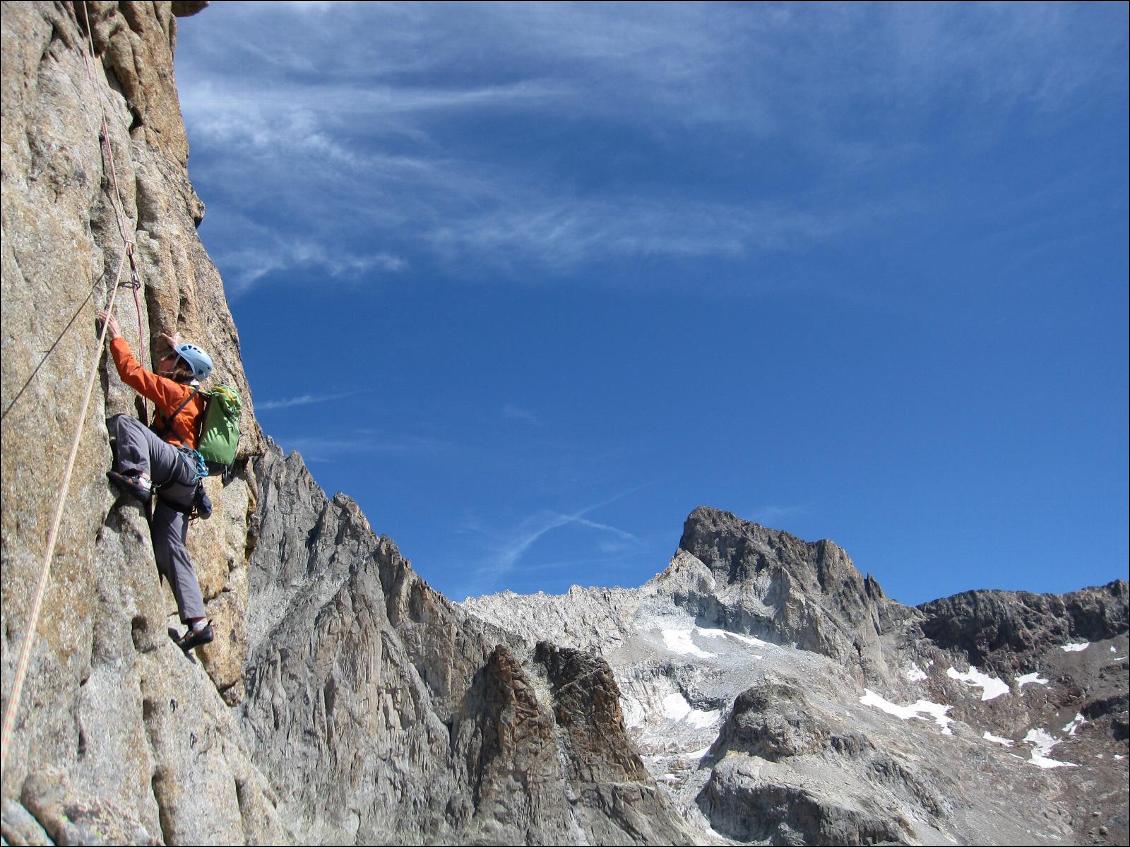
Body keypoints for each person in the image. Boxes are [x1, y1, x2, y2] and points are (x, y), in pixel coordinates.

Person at [98, 309, 214, 653]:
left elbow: (132, 374)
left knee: (127, 424)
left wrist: (116, 335)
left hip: (173, 467)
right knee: (169, 546)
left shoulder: (176, 393)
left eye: (170, 358)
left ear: (182, 370)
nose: (163, 361)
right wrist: (180, 346)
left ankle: (139, 476)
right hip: (187, 485)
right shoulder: (199, 400)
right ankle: (198, 623)